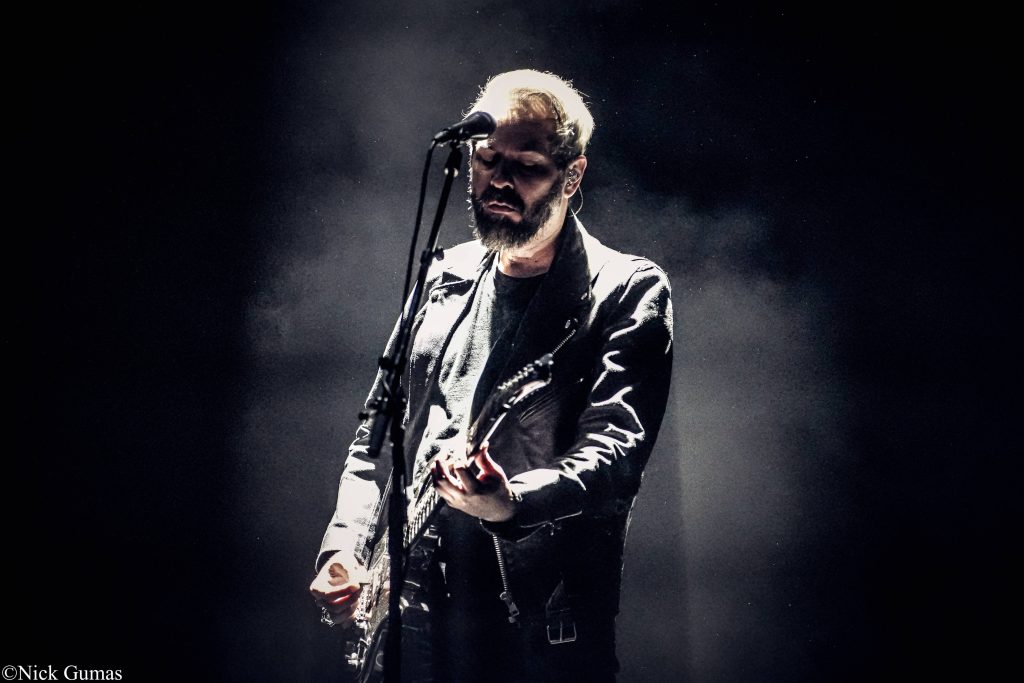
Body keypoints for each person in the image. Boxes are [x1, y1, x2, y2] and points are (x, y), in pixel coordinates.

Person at [310, 69, 673, 682]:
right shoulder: (444, 275)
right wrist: (345, 545)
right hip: (409, 618)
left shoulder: (624, 290)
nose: (500, 180)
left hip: (530, 627)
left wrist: (509, 503)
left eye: (527, 166)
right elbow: (376, 435)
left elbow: (616, 454)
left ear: (572, 176)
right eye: (487, 160)